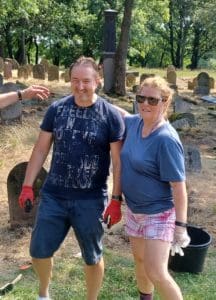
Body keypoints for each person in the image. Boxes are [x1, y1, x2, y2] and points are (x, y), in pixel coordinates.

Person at [18, 56, 124, 300]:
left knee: (92, 256)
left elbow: (118, 162)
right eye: (75, 80)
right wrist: (27, 186)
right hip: (54, 194)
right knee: (38, 251)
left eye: (86, 81)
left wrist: (116, 199)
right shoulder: (57, 109)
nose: (80, 86)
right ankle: (44, 294)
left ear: (97, 81)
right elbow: (41, 149)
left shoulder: (109, 115)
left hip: (90, 199)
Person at [104, 76, 190, 300]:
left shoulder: (166, 140)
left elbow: (179, 189)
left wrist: (180, 227)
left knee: (156, 271)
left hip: (158, 214)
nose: (145, 104)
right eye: (141, 98)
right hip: (134, 211)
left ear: (165, 102)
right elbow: (120, 113)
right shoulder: (135, 123)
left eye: (153, 100)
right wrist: (93, 97)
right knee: (141, 263)